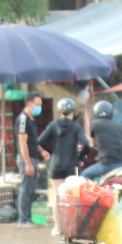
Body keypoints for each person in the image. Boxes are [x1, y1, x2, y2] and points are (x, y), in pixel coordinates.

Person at [39, 98, 87, 182]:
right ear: (72, 112)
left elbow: (40, 141)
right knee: (73, 194)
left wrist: (52, 151)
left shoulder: (53, 125)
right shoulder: (76, 126)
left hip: (56, 164)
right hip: (72, 165)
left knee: (58, 194)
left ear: (60, 112)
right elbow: (86, 143)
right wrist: (81, 158)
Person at [16, 93, 46, 223]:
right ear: (30, 104)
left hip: (33, 157)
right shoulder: (23, 119)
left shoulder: (32, 119)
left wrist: (41, 151)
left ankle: (28, 217)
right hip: (26, 159)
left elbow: (32, 141)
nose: (39, 107)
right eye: (38, 104)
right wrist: (28, 163)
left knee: (31, 189)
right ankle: (23, 219)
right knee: (26, 189)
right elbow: (22, 143)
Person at [81, 100, 122, 179]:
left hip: (108, 164)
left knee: (84, 174)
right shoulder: (119, 125)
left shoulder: (94, 124)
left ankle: (96, 191)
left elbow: (94, 143)